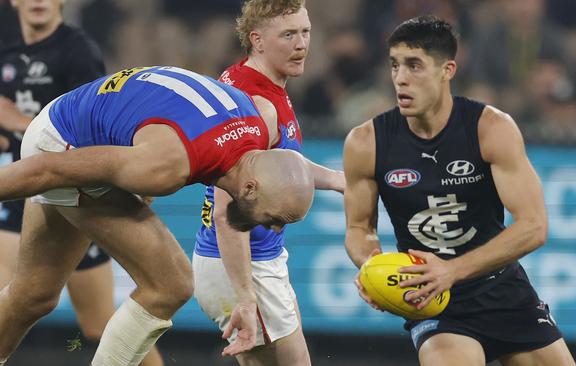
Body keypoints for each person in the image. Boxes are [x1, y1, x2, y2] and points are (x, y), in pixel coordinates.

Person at [0, 65, 315, 366]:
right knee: (170, 283)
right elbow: (47, 168)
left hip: (75, 119)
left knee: (33, 295)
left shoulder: (256, 128)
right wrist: (141, 170)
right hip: (60, 143)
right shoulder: (165, 167)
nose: (274, 228)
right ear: (249, 188)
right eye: (276, 218)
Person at [343, 16, 576, 366]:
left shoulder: (490, 128)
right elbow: (359, 228)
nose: (400, 78)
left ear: (447, 70)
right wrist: (372, 266)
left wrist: (452, 270)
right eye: (394, 65)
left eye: (414, 65)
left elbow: (534, 226)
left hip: (502, 290)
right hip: (435, 300)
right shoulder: (366, 142)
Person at [0, 1, 165, 364]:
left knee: (96, 322)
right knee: (15, 291)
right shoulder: (7, 54)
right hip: (20, 191)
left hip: (74, 193)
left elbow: (92, 119)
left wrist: (20, 122)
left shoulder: (77, 51)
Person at [193, 1, 343, 365]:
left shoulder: (249, 79)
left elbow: (279, 163)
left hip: (253, 261)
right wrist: (245, 296)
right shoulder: (259, 105)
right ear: (257, 40)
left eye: (305, 31)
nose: (301, 44)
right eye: (288, 34)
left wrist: (338, 180)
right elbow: (227, 207)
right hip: (246, 265)